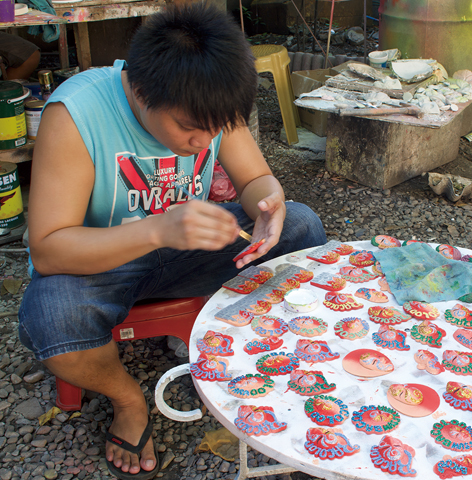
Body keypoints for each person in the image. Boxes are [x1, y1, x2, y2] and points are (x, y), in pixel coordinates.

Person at [18, 3, 326, 479]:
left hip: (187, 249)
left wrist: (269, 204)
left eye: (216, 129)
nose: (204, 142)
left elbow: (257, 181)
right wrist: (158, 229)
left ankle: (246, 351)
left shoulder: (210, 100)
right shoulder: (75, 112)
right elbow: (49, 248)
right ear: (140, 91)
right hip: (103, 262)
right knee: (52, 320)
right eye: (189, 129)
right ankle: (127, 399)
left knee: (301, 226)